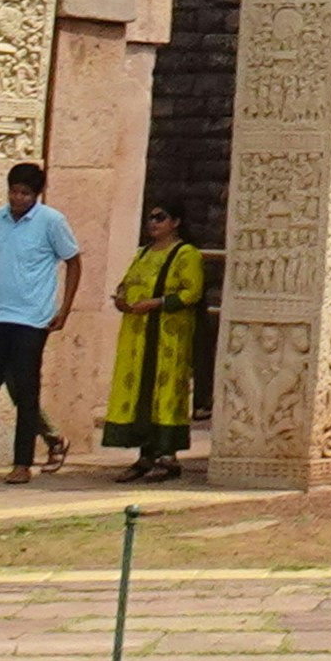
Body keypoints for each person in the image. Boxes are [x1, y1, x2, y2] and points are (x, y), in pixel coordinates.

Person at [0, 164, 83, 484]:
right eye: (14, 191)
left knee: (25, 391)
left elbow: (73, 261)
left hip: (31, 318)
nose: (18, 198)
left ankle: (22, 462)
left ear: (36, 195)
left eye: (24, 193)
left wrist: (64, 309)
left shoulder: (51, 221)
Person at [102, 200, 215, 482]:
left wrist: (156, 303)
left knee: (165, 393)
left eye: (160, 218)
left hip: (168, 336)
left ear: (175, 222)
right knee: (141, 393)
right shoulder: (143, 254)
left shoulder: (184, 254)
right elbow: (128, 281)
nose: (153, 223)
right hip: (139, 335)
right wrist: (122, 297)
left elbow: (192, 292)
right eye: (150, 218)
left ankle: (168, 456)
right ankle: (145, 454)